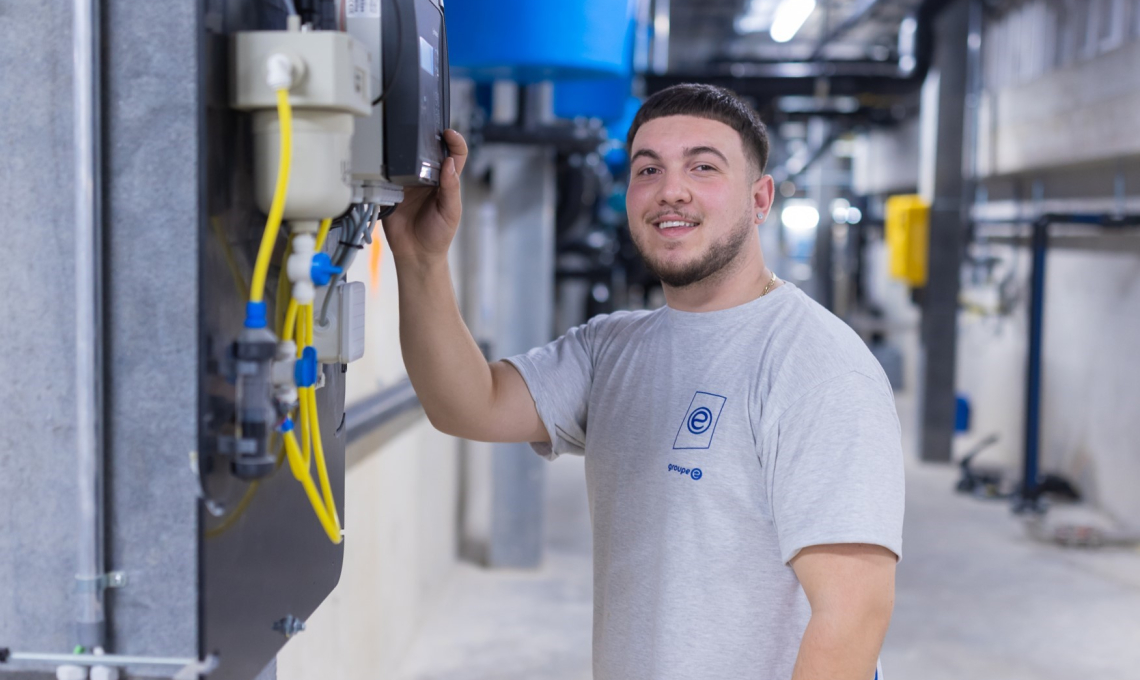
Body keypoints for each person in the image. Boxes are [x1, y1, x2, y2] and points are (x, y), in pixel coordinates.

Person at [384, 83, 903, 680]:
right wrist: (419, 261)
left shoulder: (816, 363)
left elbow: (854, 612)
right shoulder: (612, 347)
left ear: (760, 199)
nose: (670, 190)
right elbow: (469, 405)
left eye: (703, 167)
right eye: (648, 169)